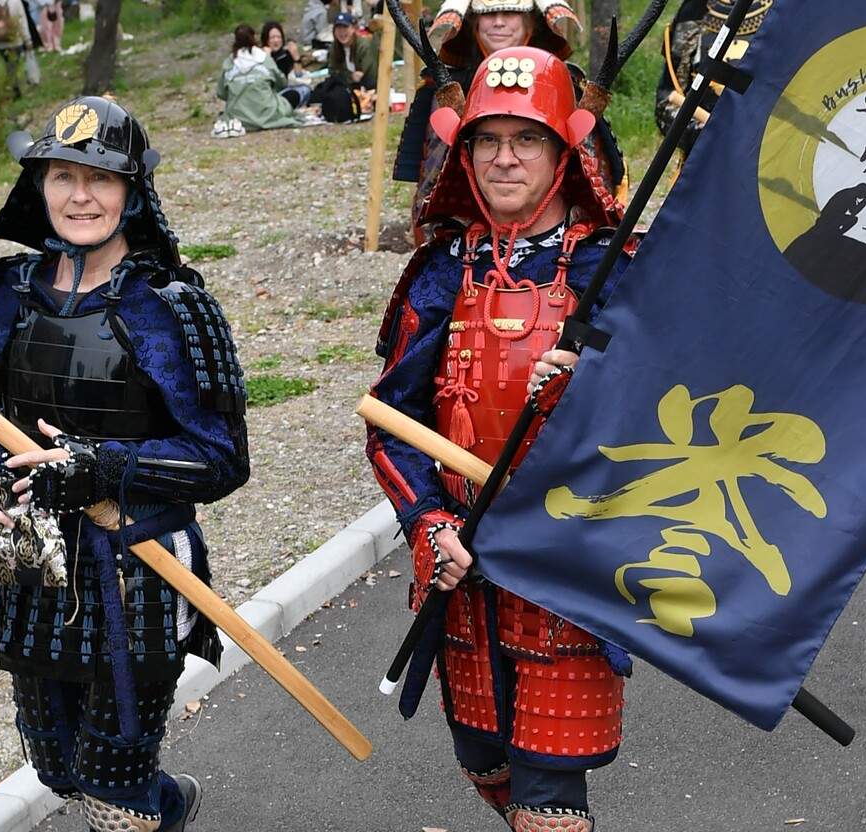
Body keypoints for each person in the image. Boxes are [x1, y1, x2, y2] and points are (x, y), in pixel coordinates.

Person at [0, 95, 249, 831]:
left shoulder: (170, 307)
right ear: (38, 186)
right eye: (62, 176)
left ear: (132, 189)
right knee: (60, 768)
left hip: (134, 566)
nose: (81, 196)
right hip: (33, 565)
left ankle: (144, 808)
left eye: (101, 179)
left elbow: (220, 458)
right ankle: (168, 806)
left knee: (114, 789)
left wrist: (96, 465)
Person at [367, 46, 635, 831]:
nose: (505, 158)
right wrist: (427, 525)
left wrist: (599, 385)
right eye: (488, 140)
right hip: (462, 574)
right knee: (488, 770)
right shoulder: (440, 271)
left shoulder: (613, 267)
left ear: (563, 151)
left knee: (549, 804)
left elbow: (681, 406)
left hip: (567, 567)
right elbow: (392, 420)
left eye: (527, 139)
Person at [392, 0, 626, 240]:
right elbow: (431, 179)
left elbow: (594, 178)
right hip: (467, 243)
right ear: (473, 22)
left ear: (531, 22)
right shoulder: (443, 89)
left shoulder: (565, 85)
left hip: (559, 244)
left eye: (510, 12)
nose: (499, 22)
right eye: (488, 14)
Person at [655, 0, 773, 158]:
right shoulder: (693, 12)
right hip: (705, 162)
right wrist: (707, 134)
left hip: (769, 155)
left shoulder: (785, 11)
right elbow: (665, 103)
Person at [217, 24, 305, 131]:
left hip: (238, 117)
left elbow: (221, 93)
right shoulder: (263, 57)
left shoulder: (229, 62)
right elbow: (282, 83)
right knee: (302, 91)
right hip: (267, 114)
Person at [306, 12, 376, 124]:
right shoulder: (334, 47)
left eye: (345, 28)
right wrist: (349, 75)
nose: (342, 32)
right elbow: (332, 70)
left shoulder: (363, 45)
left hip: (366, 84)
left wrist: (347, 76)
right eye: (338, 29)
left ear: (353, 29)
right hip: (345, 83)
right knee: (322, 89)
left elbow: (364, 73)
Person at [0, 0, 41, 95]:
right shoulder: (15, 1)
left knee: (7, 63)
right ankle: (15, 86)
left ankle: (11, 85)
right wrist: (27, 39)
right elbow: (22, 20)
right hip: (15, 39)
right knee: (14, 63)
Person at [259, 21, 311, 108]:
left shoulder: (285, 54)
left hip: (283, 92)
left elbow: (298, 77)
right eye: (272, 38)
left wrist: (296, 57)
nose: (276, 40)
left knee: (305, 89)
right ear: (266, 39)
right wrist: (267, 60)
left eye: (278, 37)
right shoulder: (260, 55)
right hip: (267, 95)